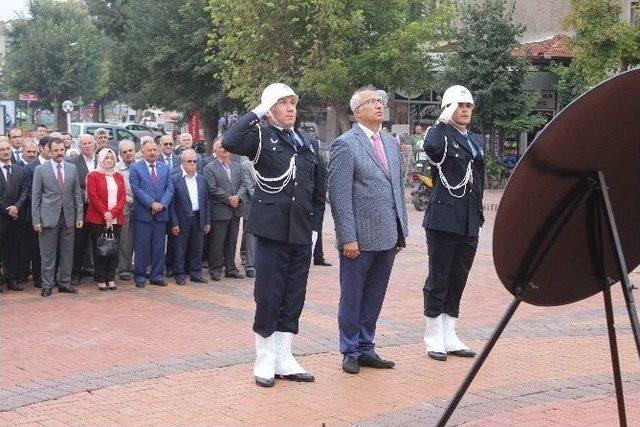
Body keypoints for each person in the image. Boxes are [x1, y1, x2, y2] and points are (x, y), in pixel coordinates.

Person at [223, 83, 325, 388]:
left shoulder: (307, 142)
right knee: (269, 295)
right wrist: (257, 110)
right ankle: (264, 359)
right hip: (271, 231)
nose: (291, 108)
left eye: (293, 102)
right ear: (271, 109)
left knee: (294, 295)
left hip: (301, 231)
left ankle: (285, 357)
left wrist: (316, 229)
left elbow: (318, 190)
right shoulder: (261, 137)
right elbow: (230, 140)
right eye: (283, 103)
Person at [328, 86, 409, 374]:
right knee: (352, 296)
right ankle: (349, 349)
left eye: (380, 101)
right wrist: (347, 237)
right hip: (358, 239)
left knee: (375, 295)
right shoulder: (345, 144)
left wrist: (401, 230)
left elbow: (397, 188)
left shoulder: (389, 143)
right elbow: (338, 195)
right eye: (371, 101)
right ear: (357, 111)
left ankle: (366, 347)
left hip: (387, 236)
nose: (379, 105)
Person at [422, 85, 485, 361]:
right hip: (444, 218)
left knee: (458, 278)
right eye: (460, 106)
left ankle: (450, 333)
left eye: (469, 106)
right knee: (440, 277)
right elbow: (431, 147)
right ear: (449, 108)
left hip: (469, 218)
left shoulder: (475, 140)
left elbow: (478, 180)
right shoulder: (441, 135)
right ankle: (433, 335)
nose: (465, 110)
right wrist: (440, 121)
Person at [31, 137, 84, 297]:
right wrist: (36, 220)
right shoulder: (40, 170)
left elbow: (76, 194)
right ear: (49, 151)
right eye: (56, 150)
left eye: (62, 150)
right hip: (48, 218)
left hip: (68, 217)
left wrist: (79, 215)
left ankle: (65, 283)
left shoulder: (71, 168)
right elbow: (36, 197)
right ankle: (47, 285)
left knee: (68, 252)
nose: (60, 153)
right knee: (48, 253)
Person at [129, 138, 174, 288]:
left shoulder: (164, 167)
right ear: (142, 152)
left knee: (159, 247)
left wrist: (162, 204)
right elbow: (136, 189)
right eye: (149, 150)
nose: (153, 153)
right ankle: (140, 276)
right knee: (142, 247)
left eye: (155, 150)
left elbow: (170, 189)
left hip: (161, 214)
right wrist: (151, 203)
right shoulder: (135, 168)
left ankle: (156, 275)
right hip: (143, 214)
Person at [203, 139, 245, 281]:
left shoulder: (237, 166)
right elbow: (212, 188)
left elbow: (244, 184)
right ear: (215, 150)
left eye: (226, 146)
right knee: (217, 242)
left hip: (235, 210)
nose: (224, 149)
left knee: (232, 241)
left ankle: (230, 268)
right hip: (220, 210)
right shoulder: (209, 167)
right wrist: (229, 199)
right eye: (221, 147)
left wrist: (238, 197)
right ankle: (215, 269)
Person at [85, 148, 127, 290]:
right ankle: (100, 277)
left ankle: (111, 277)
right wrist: (105, 213)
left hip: (115, 220)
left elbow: (122, 198)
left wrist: (113, 213)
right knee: (101, 249)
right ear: (101, 160)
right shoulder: (93, 175)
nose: (109, 161)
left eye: (111, 158)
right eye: (106, 158)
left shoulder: (119, 176)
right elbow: (93, 196)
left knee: (113, 249)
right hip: (99, 219)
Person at [169, 149, 210, 285]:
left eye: (194, 161)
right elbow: (172, 204)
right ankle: (179, 274)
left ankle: (196, 273)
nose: (192, 163)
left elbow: (206, 202)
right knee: (180, 249)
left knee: (197, 248)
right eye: (189, 161)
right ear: (182, 163)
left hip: (198, 218)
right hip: (182, 220)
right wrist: (174, 223)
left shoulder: (201, 179)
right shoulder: (175, 179)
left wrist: (207, 221)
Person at [0, 139, 30, 292]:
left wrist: (16, 207)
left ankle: (12, 279)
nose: (5, 152)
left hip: (16, 218)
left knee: (14, 249)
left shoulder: (20, 170)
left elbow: (25, 190)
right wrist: (8, 209)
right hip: (1, 217)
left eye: (7, 149)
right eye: (2, 149)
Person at [70, 134, 98, 285]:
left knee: (99, 242)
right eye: (84, 144)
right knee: (79, 243)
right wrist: (89, 195)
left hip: (100, 210)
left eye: (89, 143)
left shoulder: (102, 161)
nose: (87, 146)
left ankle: (100, 273)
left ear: (95, 144)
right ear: (79, 147)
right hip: (82, 209)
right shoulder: (73, 163)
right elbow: (73, 187)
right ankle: (76, 273)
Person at [303, 125, 331, 267]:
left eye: (313, 133)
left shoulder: (318, 154)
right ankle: (310, 255)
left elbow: (323, 174)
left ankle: (318, 256)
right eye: (309, 133)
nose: (311, 136)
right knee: (308, 227)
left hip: (316, 198)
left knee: (317, 227)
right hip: (306, 197)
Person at [115, 140, 137, 281]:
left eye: (130, 150)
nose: (128, 154)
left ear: (135, 150)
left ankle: (141, 265)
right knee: (125, 239)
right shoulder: (116, 168)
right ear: (120, 154)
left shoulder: (141, 165)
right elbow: (113, 187)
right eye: (124, 152)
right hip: (125, 206)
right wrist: (124, 197)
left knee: (141, 237)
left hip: (142, 205)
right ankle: (124, 268)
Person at [239, 156, 256, 278]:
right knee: (251, 236)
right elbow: (249, 187)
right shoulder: (246, 165)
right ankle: (250, 266)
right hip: (252, 206)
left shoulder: (269, 162)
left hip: (270, 206)